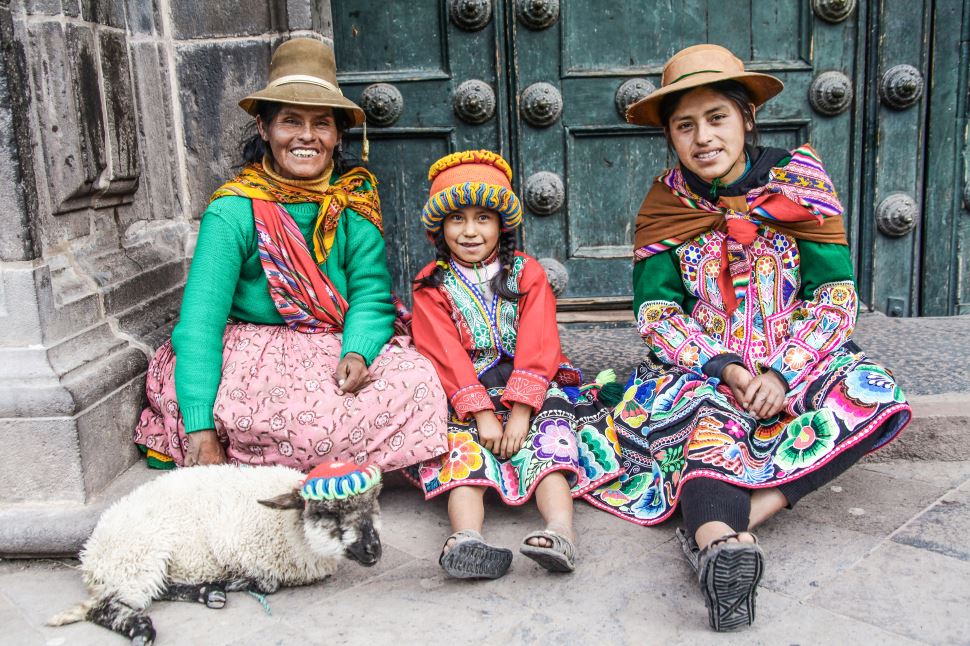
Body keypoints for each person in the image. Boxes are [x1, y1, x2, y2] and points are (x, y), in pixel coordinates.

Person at [585, 45, 912, 631]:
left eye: (717, 118)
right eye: (685, 126)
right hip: (705, 369)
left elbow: (834, 295)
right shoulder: (666, 205)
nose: (703, 137)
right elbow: (657, 312)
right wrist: (727, 368)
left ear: (747, 117)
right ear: (670, 135)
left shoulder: (798, 184)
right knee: (708, 425)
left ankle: (732, 530)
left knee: (871, 390)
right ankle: (718, 542)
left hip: (797, 362)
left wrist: (782, 372)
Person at [134, 38, 448, 473]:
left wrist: (357, 352)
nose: (307, 136)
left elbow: (371, 295)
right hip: (253, 352)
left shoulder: (352, 201)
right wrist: (200, 429)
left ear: (338, 135)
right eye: (290, 121)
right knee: (286, 420)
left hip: (334, 340)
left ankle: (288, 460)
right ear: (264, 129)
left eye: (322, 124)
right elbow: (201, 323)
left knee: (420, 383)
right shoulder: (233, 210)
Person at [406, 151, 623, 578]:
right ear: (440, 227)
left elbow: (539, 340)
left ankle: (559, 533)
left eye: (483, 218)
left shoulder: (527, 273)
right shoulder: (431, 284)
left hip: (532, 386)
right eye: (456, 219)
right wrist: (482, 414)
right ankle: (466, 539)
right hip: (465, 390)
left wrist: (522, 411)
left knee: (549, 448)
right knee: (464, 457)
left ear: (501, 224)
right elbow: (443, 352)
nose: (470, 231)